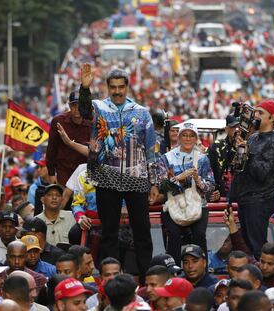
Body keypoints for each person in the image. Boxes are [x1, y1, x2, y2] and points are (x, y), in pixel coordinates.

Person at [78, 63, 158, 282]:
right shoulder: (98, 108)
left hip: (137, 178)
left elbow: (151, 150)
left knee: (142, 231)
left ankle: (146, 278)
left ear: (127, 87)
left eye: (120, 87)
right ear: (107, 87)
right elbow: (83, 112)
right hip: (106, 177)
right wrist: (84, 89)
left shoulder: (141, 113)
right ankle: (110, 279)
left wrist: (155, 182)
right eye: (112, 87)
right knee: (109, 232)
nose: (117, 91)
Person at [231, 100, 274, 259]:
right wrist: (238, 148)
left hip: (260, 202)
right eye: (255, 112)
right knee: (247, 246)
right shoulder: (253, 137)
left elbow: (263, 174)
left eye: (260, 113)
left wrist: (247, 154)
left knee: (258, 248)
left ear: (272, 118)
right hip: (245, 199)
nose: (255, 115)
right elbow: (239, 166)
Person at [159, 123, 215, 264]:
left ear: (196, 138)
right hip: (173, 205)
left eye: (191, 135)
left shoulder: (202, 158)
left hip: (198, 205)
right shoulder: (166, 158)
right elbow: (160, 186)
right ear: (179, 137)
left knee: (199, 235)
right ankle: (174, 271)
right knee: (173, 236)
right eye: (184, 135)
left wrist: (198, 180)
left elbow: (210, 186)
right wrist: (179, 178)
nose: (188, 139)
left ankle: (202, 270)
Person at [46, 90, 91, 187]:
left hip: (84, 175)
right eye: (74, 105)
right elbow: (51, 149)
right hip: (64, 173)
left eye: (80, 105)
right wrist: (51, 173)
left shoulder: (92, 122)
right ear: (69, 106)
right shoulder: (58, 121)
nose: (77, 108)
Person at [207, 114, 240, 201]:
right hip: (220, 195)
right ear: (226, 129)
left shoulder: (250, 145)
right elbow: (208, 171)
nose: (238, 130)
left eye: (240, 127)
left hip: (242, 196)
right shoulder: (216, 146)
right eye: (234, 127)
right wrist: (212, 191)